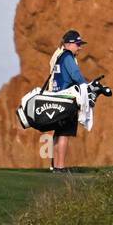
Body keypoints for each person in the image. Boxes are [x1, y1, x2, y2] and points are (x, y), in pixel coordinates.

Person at [49, 29, 90, 173]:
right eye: (78, 44)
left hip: (56, 99)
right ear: (69, 44)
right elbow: (76, 75)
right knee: (64, 133)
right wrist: (85, 85)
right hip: (66, 101)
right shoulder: (68, 57)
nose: (80, 47)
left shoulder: (59, 56)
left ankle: (54, 166)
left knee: (58, 132)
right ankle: (60, 167)